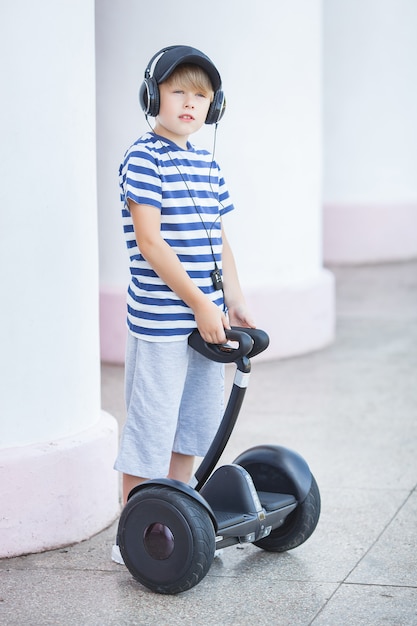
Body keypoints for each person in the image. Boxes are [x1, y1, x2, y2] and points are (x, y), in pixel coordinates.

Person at [112, 45, 255, 563]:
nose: (190, 104)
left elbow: (220, 240)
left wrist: (232, 300)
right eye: (178, 92)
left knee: (195, 421)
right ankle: (134, 534)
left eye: (201, 96)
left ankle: (179, 520)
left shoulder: (209, 168)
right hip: (163, 321)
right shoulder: (143, 156)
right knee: (152, 423)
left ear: (214, 107)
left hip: (209, 319)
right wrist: (198, 302)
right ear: (154, 97)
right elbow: (151, 242)